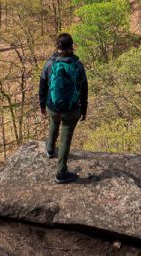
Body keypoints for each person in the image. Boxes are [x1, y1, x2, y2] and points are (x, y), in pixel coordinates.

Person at [39, 33, 88, 184]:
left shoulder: (49, 64)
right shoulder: (77, 66)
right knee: (65, 138)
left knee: (54, 122)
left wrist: (42, 105)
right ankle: (61, 173)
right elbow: (84, 88)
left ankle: (49, 149)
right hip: (72, 110)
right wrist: (84, 109)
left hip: (53, 107)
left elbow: (42, 85)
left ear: (57, 47)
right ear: (72, 47)